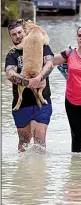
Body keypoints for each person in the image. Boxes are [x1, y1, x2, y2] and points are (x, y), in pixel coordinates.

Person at [4, 19, 54, 152]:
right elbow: (9, 73)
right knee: (24, 143)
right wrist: (28, 82)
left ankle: (39, 171)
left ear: (25, 31)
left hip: (42, 102)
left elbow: (50, 64)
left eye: (20, 32)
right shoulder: (12, 54)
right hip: (22, 104)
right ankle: (23, 171)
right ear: (10, 37)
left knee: (39, 140)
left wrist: (38, 78)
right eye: (13, 34)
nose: (18, 36)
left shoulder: (41, 45)